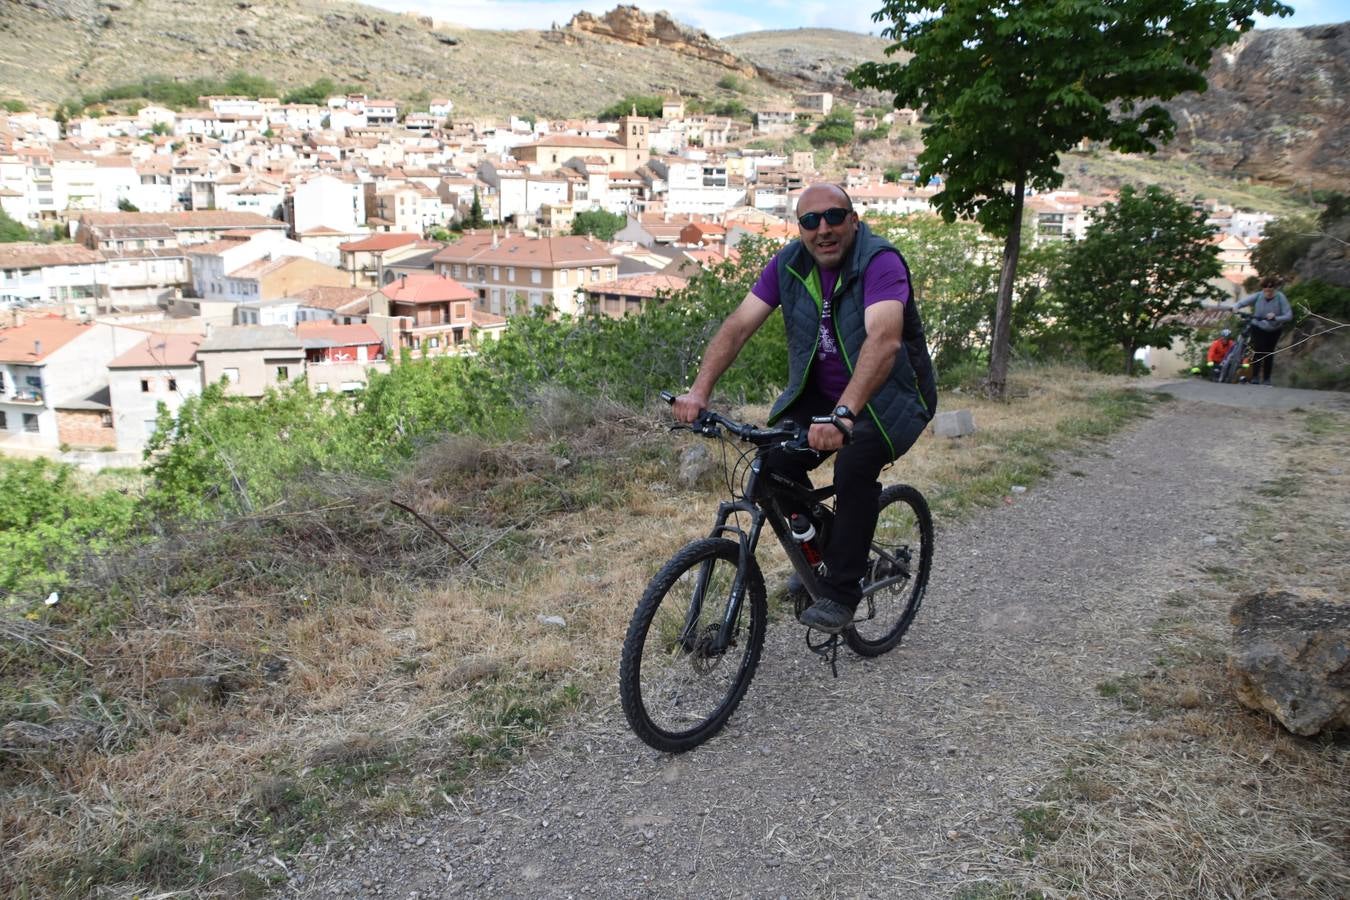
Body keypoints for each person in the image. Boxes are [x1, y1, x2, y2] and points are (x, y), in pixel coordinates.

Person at [673, 183, 936, 633]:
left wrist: (845, 415)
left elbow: (884, 339)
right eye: (810, 221)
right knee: (774, 465)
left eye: (834, 217)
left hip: (888, 399)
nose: (823, 229)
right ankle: (835, 552)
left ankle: (841, 590)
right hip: (819, 397)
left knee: (852, 468)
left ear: (853, 219)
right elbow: (738, 326)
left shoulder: (880, 261)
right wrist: (699, 393)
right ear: (800, 228)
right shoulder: (790, 263)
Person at [1232, 276, 1292, 385]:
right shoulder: (1258, 296)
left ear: (1275, 289)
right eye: (1266, 290)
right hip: (1258, 326)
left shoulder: (1280, 297)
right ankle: (1255, 377)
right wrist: (1236, 307)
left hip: (1274, 328)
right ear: (1263, 289)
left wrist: (1276, 317)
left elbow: (1288, 315)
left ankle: (1266, 379)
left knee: (1269, 353)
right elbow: (1242, 302)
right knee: (1259, 350)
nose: (1268, 293)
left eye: (1270, 291)